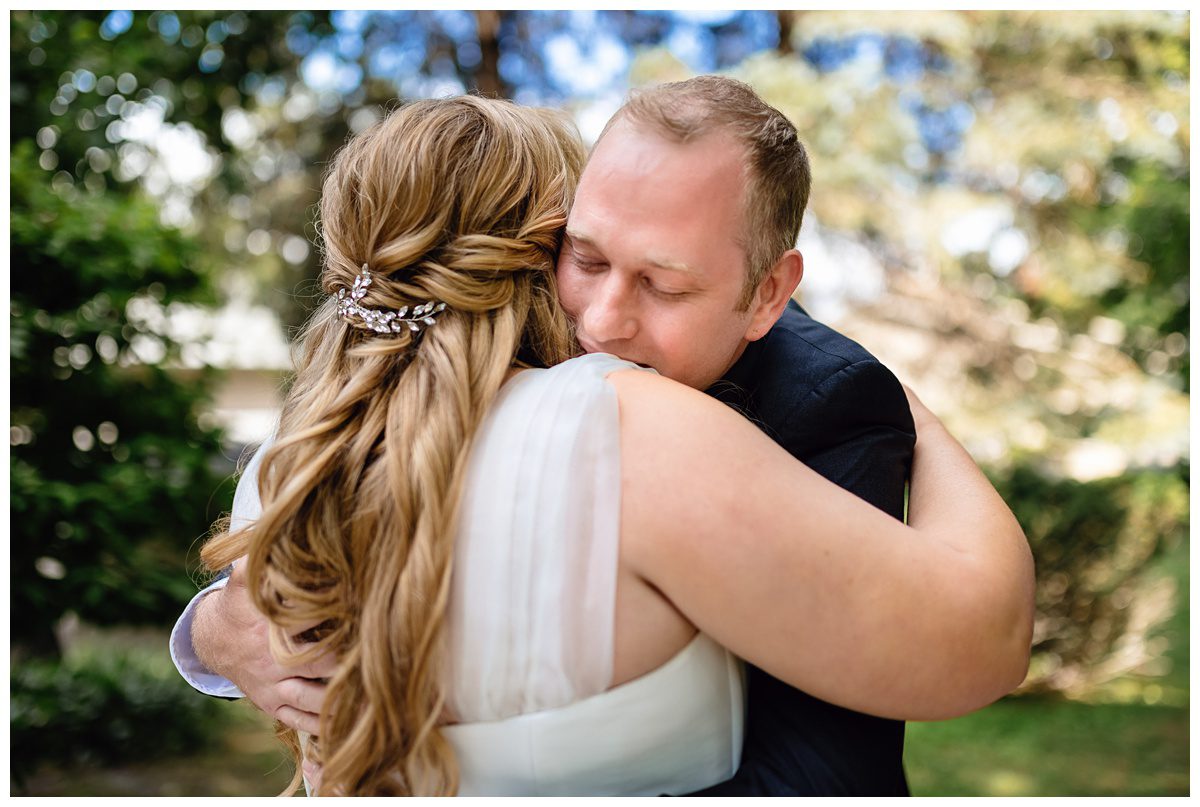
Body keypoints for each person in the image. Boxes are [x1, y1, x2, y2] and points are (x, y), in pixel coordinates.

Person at [174, 88, 1034, 796]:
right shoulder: (632, 432)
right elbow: (984, 639)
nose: (606, 319)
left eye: (661, 282)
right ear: (529, 251)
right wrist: (922, 417)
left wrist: (211, 628)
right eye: (580, 255)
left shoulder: (293, 465)